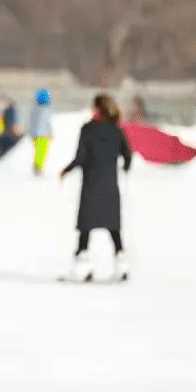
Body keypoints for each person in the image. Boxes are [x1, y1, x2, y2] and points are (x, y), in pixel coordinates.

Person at [60, 93, 132, 282]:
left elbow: (81, 157)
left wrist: (66, 170)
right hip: (110, 186)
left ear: (97, 109)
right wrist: (124, 168)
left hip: (91, 184)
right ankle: (121, 263)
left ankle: (82, 266)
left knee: (86, 226)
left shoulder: (87, 130)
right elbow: (128, 155)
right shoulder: (117, 131)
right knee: (113, 227)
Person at [28, 90, 54, 175]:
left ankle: (37, 167)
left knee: (38, 151)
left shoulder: (34, 109)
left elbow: (31, 122)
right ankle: (38, 168)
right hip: (43, 134)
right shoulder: (46, 109)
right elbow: (46, 122)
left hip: (35, 134)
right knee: (42, 151)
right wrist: (50, 132)